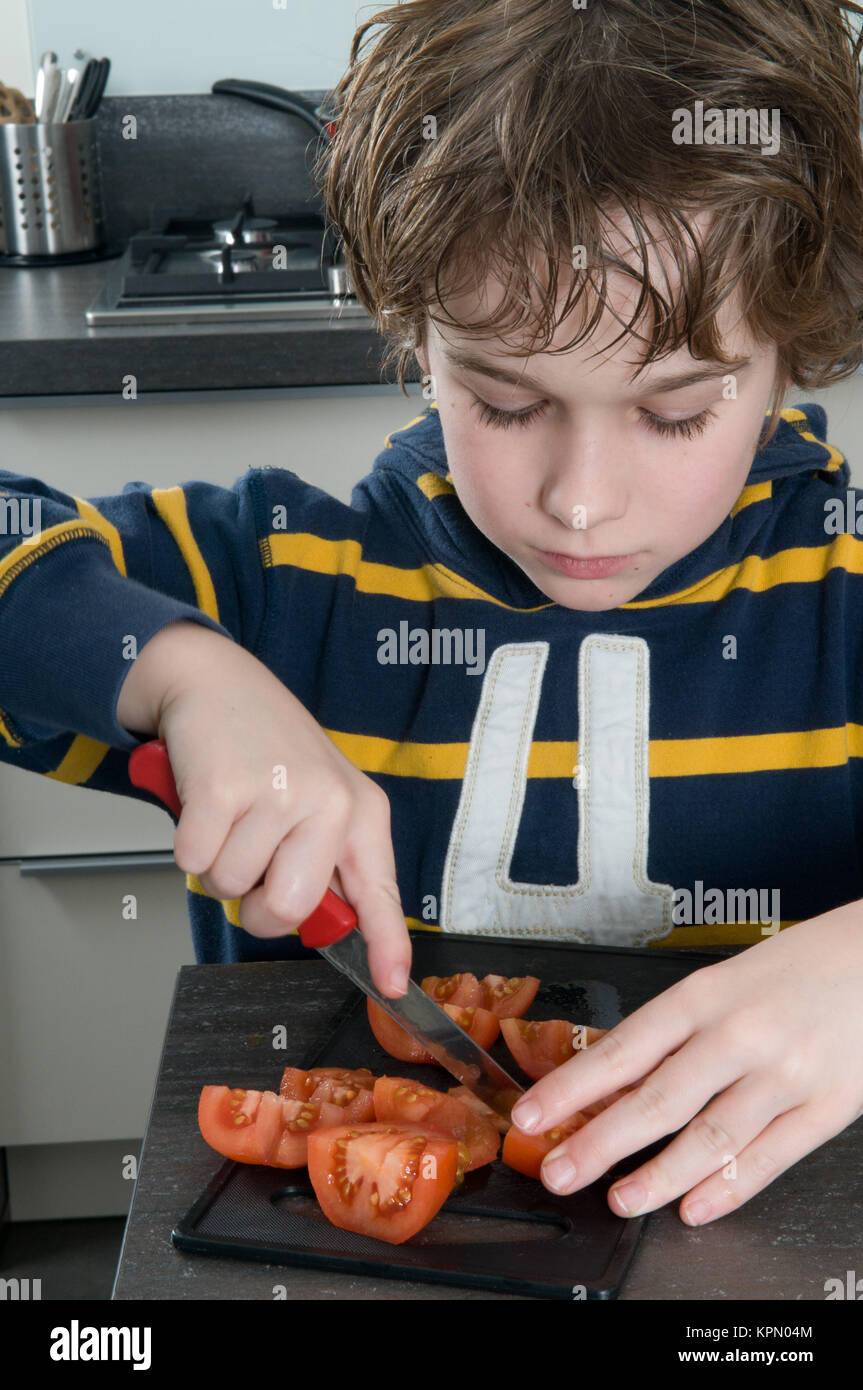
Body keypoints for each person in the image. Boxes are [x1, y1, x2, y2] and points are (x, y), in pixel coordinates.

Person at [2, 0, 863, 1228]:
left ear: (790, 349)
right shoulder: (282, 582)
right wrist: (181, 673)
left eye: (673, 412)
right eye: (505, 399)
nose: (577, 502)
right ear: (416, 337)